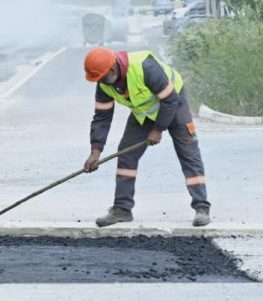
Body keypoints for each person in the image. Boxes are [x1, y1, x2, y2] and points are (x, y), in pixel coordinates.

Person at [82, 46, 211, 228]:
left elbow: (170, 99)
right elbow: (102, 117)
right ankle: (122, 209)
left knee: (188, 153)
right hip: (145, 113)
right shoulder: (104, 84)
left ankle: (201, 208)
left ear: (112, 69)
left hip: (174, 103)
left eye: (101, 77)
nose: (100, 82)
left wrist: (158, 129)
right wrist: (95, 151)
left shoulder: (144, 67)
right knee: (126, 155)